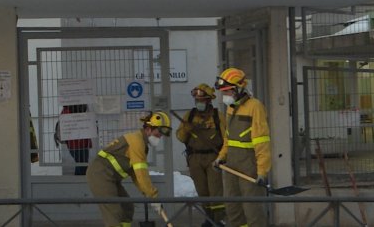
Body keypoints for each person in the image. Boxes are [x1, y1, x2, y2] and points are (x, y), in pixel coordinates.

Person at [88, 111, 172, 227]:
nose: (160, 136)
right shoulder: (137, 142)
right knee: (114, 212)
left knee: (127, 208)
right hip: (100, 174)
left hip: (110, 177)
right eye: (159, 132)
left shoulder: (141, 144)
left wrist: (149, 195)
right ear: (148, 129)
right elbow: (141, 175)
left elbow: (136, 176)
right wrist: (152, 195)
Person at [212, 67, 271, 227]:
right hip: (232, 166)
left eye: (227, 91)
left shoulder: (255, 106)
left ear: (239, 88)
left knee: (253, 212)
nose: (225, 96)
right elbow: (228, 139)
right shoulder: (231, 108)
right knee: (233, 210)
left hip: (249, 168)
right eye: (223, 92)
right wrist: (221, 157)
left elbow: (262, 143)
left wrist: (262, 171)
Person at [176, 84, 226, 227]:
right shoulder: (189, 116)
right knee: (202, 191)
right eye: (197, 100)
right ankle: (208, 219)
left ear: (209, 101)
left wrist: (222, 157)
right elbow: (180, 137)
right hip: (195, 159)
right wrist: (187, 128)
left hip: (213, 158)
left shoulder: (218, 117)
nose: (199, 103)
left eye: (202, 100)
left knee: (215, 191)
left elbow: (226, 137)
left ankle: (218, 220)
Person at [55, 104, 92, 175]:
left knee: (81, 164)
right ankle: (80, 183)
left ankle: (79, 182)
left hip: (79, 143)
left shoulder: (67, 110)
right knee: (82, 165)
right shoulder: (68, 111)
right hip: (77, 144)